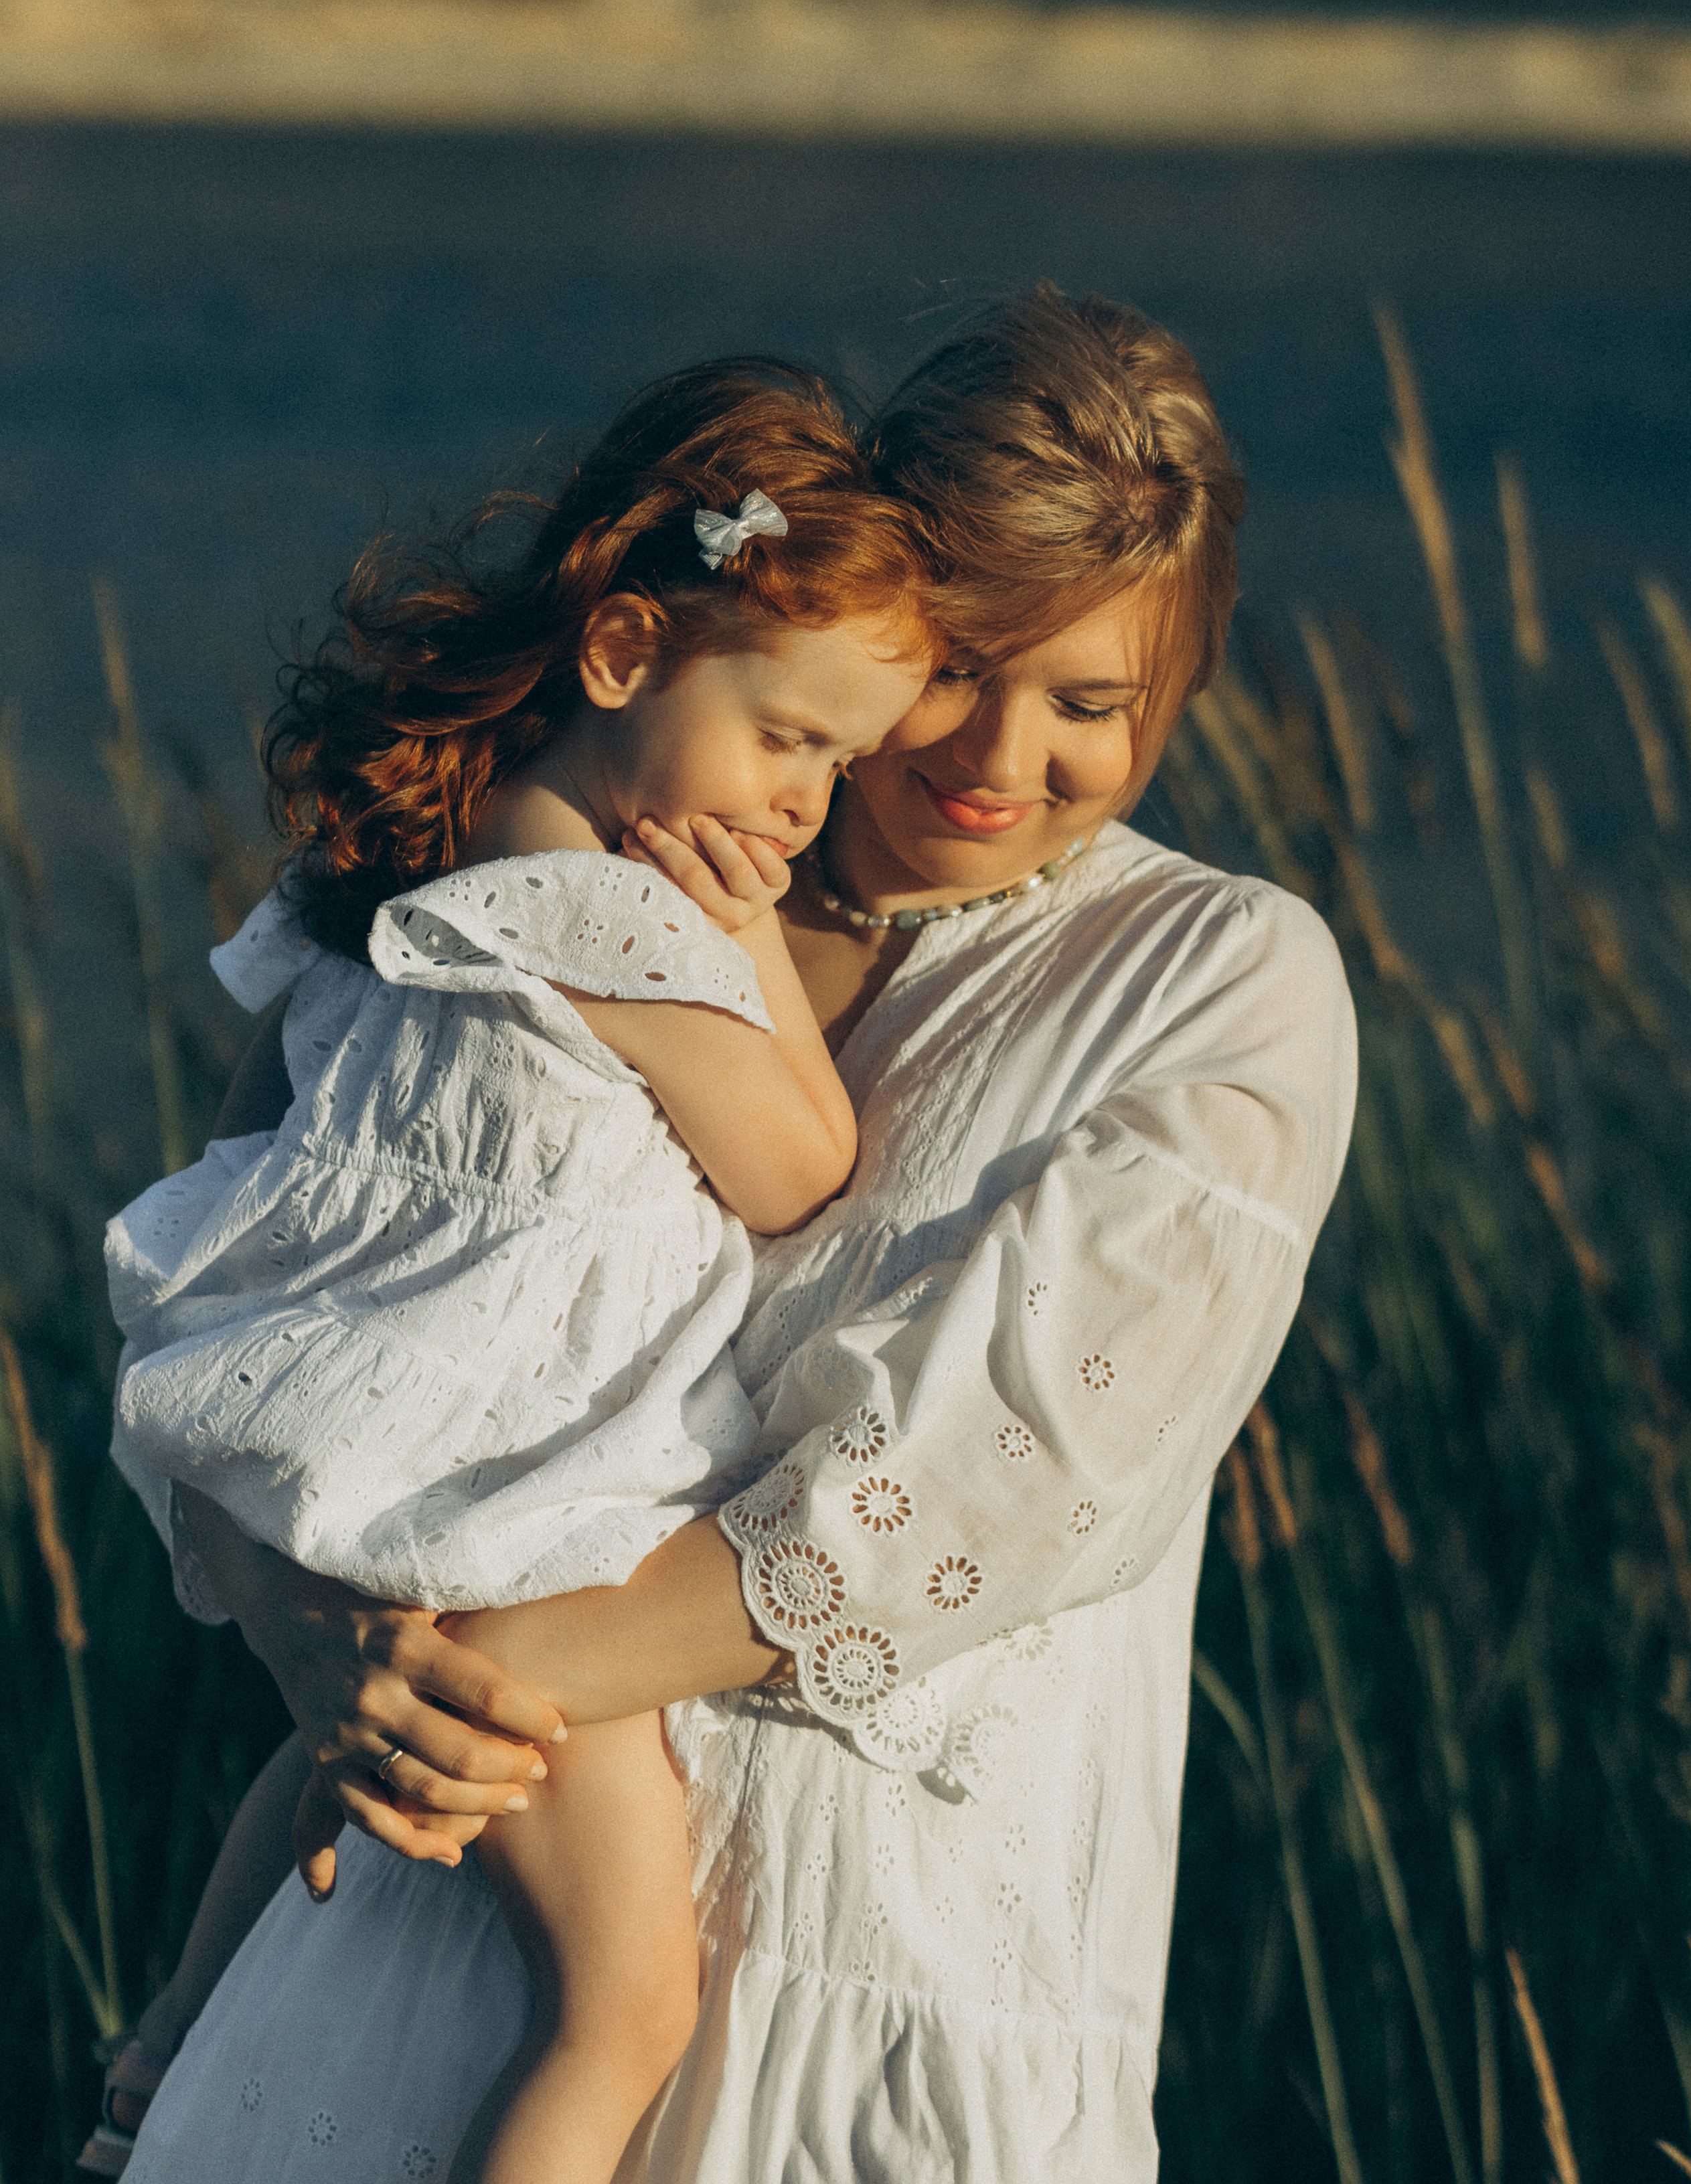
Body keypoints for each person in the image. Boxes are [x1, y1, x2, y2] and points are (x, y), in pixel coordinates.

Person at [115, 285, 1357, 2184]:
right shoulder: (543, 855)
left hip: (878, 1995)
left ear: (1178, 693)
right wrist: (324, 1652)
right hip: (452, 1905)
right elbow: (247, 1301)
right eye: (962, 667)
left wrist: (476, 1672)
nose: (1000, 757)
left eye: (1095, 703)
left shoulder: (1218, 984)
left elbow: (977, 1487)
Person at [94, 363, 938, 2184]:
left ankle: (158, 2060)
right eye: (788, 737)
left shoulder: (430, 854)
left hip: (382, 1459)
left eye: (842, 766)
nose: (806, 805)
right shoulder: (609, 905)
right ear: (626, 648)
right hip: (513, 1514)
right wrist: (749, 941)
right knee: (626, 2001)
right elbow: (801, 1166)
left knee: (324, 1768)